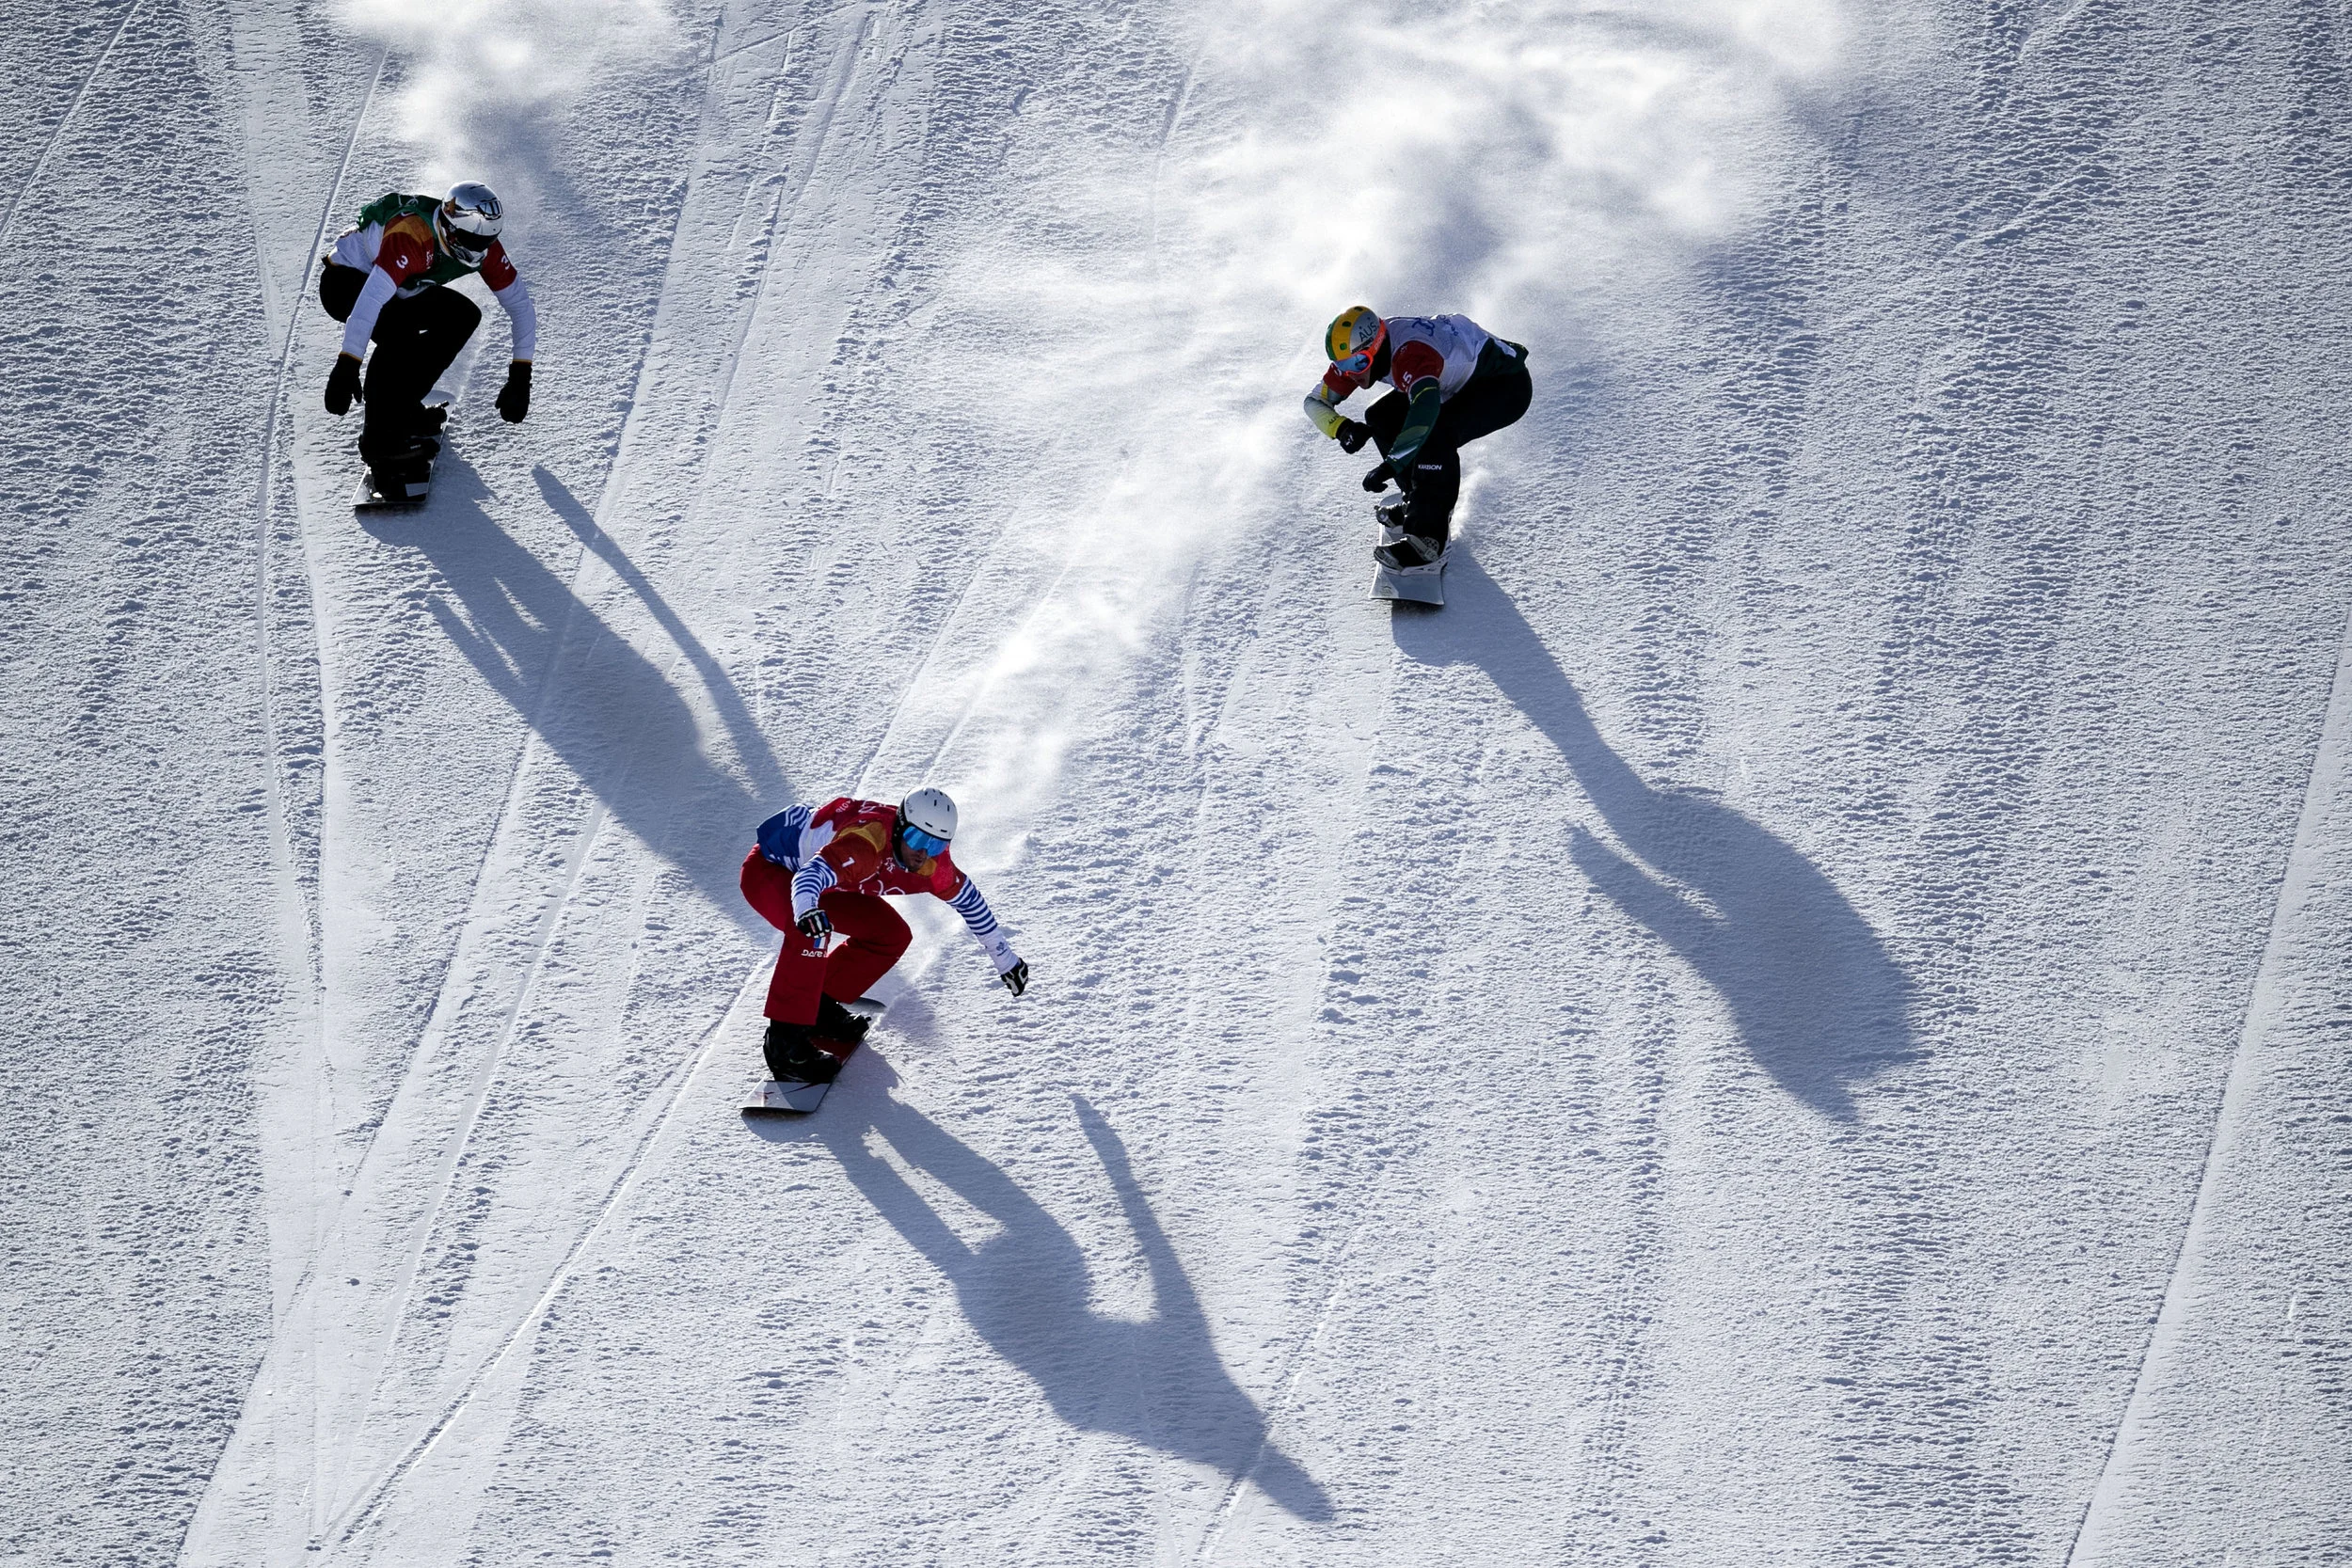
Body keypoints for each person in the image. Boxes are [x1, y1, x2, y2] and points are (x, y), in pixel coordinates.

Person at [741, 787, 1028, 1084]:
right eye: (917, 839)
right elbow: (808, 877)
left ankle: (819, 1009)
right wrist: (805, 911)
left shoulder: (932, 866)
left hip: (829, 886)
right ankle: (784, 1045)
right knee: (812, 932)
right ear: (900, 829)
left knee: (892, 934)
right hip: (772, 872)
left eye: (935, 844)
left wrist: (1006, 960)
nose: (922, 853)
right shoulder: (866, 845)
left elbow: (970, 902)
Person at [317, 182, 536, 493]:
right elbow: (369, 303)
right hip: (345, 282)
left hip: (401, 288)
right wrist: (347, 364)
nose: (476, 251)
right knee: (398, 334)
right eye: (469, 241)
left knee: (462, 316)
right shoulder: (411, 237)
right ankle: (379, 445)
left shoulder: (482, 247)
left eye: (484, 243)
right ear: (448, 227)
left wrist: (520, 376)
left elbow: (520, 306)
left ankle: (402, 409)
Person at [1303, 307, 1532, 569]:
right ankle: (1420, 504)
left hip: (1504, 385)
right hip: (1455, 382)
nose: (1353, 373)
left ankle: (1428, 541)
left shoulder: (1410, 355)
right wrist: (1341, 428)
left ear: (1377, 347)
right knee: (1380, 416)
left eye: (1358, 364)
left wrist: (1391, 464)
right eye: (1342, 366)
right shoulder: (1363, 353)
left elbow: (1425, 412)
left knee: (1435, 434)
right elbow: (1313, 402)